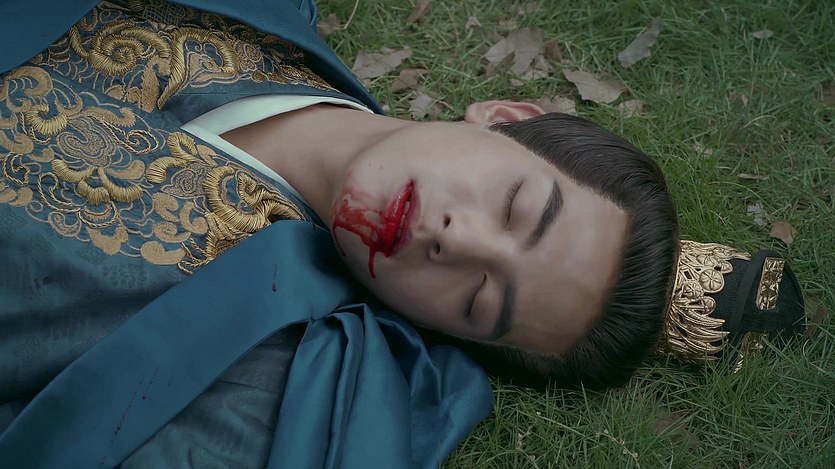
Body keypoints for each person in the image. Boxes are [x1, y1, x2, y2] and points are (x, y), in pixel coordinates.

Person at [0, 0, 804, 467]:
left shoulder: (230, 357)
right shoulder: (258, 17)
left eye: (478, 299)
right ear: (505, 116)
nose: (458, 242)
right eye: (515, 207)